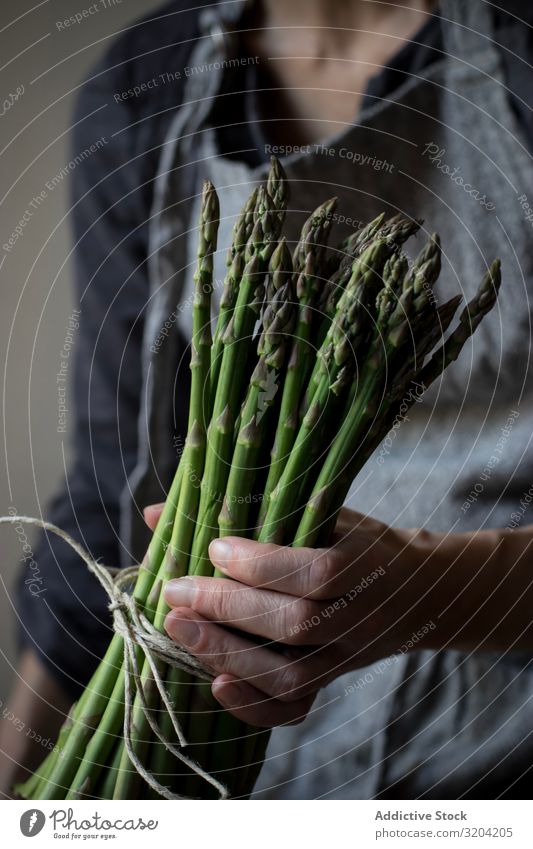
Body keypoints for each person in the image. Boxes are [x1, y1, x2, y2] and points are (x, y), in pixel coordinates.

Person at [2, 0, 533, 799]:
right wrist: (24, 789)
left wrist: (435, 587)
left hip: (502, 752)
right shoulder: (146, 77)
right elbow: (108, 489)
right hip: (236, 762)